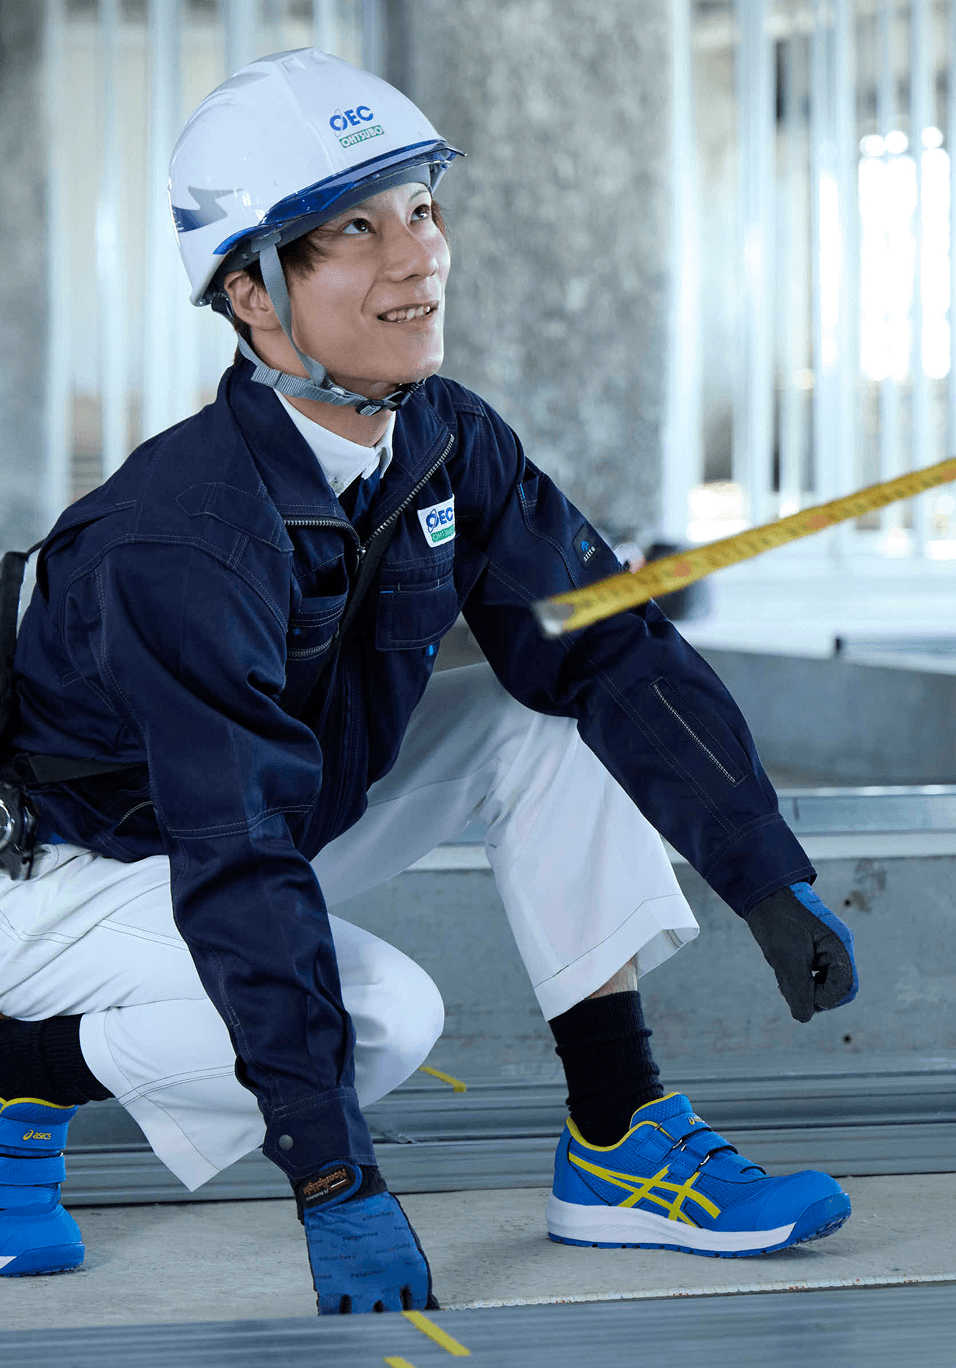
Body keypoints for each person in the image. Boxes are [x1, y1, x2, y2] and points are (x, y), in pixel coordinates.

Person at [0, 49, 858, 1309]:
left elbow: (609, 647)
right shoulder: (183, 541)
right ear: (250, 295)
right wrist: (331, 1177)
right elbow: (236, 857)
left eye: (419, 208)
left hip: (230, 822)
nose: (418, 258)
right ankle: (18, 1068)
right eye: (354, 229)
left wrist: (763, 874)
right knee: (383, 1018)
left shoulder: (445, 441)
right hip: (59, 868)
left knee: (550, 707)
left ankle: (616, 1134)